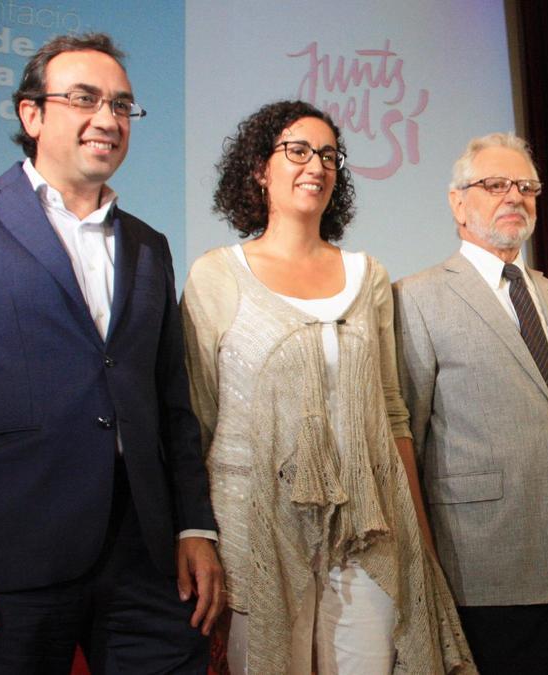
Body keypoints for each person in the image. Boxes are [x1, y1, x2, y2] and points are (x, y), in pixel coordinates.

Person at [0, 33, 223, 673]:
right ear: (31, 114)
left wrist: (194, 529)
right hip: (5, 558)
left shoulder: (150, 245)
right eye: (84, 99)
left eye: (122, 106)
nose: (108, 119)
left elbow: (172, 405)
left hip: (146, 560)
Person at [181, 100, 471, 675]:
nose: (315, 164)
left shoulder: (369, 276)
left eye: (328, 154)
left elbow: (392, 415)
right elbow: (197, 418)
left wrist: (420, 532)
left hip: (368, 524)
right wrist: (194, 533)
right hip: (254, 525)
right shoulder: (216, 274)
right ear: (260, 169)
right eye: (296, 150)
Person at [394, 132, 548, 673]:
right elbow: (406, 438)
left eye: (526, 186)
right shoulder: (416, 298)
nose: (514, 196)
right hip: (484, 565)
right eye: (494, 184)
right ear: (457, 201)